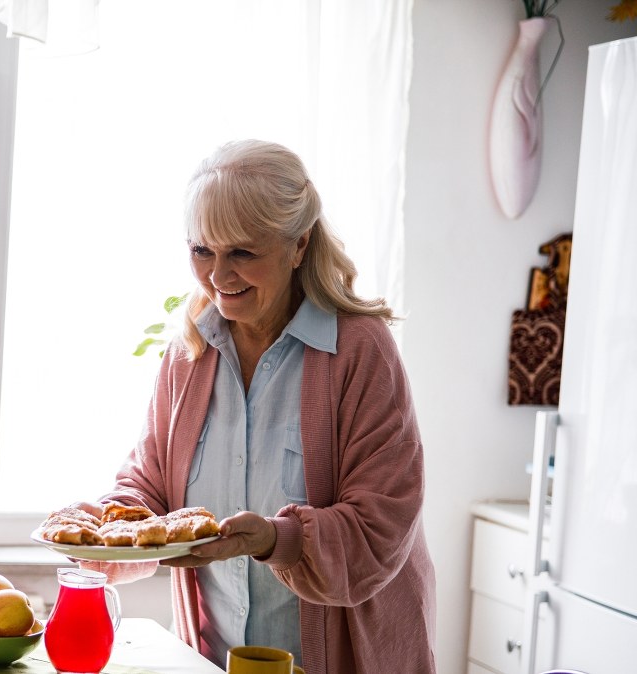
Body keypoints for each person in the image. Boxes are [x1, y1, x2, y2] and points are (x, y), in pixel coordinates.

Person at [69, 140, 436, 673]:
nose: (219, 276)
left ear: (298, 245)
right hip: (212, 659)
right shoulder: (189, 351)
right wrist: (109, 525)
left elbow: (382, 524)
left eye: (242, 252)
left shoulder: (360, 349)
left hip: (344, 657)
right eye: (202, 251)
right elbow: (149, 485)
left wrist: (278, 540)